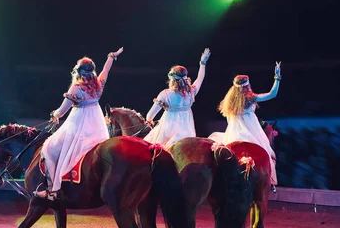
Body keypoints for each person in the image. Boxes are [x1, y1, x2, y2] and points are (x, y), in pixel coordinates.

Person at [36, 48, 124, 200]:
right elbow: (106, 70)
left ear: (79, 72)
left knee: (50, 147)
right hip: (97, 125)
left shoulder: (76, 89)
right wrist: (111, 57)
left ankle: (52, 190)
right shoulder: (99, 84)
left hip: (79, 123)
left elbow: (62, 111)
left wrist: (54, 115)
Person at [209, 62, 281, 192]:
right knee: (267, 152)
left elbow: (228, 119)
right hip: (252, 131)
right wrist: (277, 78)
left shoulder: (229, 101)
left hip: (234, 132)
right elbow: (272, 94)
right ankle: (270, 183)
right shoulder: (250, 98)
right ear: (247, 85)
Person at [143, 49, 211, 149]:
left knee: (149, 149)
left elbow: (150, 115)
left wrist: (150, 120)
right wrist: (203, 62)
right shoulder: (191, 92)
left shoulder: (165, 94)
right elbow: (200, 78)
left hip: (167, 133)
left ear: (172, 79)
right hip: (187, 132)